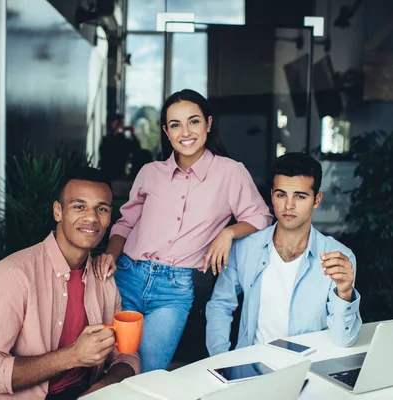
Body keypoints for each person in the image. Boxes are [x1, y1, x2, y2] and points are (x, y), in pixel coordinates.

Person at [93, 89, 273, 372]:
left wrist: (228, 233)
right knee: (107, 368)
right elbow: (125, 223)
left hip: (173, 291)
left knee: (148, 373)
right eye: (175, 125)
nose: (185, 132)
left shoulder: (231, 172)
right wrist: (110, 255)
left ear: (208, 124)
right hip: (126, 277)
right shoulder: (150, 172)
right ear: (166, 131)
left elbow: (261, 216)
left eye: (194, 121)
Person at [0, 168, 140, 399]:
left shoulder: (103, 279)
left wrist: (103, 387)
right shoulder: (11, 276)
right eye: (79, 206)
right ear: (58, 211)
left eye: (102, 209)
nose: (91, 217)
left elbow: (126, 356)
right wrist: (73, 356)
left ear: (110, 217)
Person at [206, 153, 362, 357]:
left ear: (317, 199)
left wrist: (345, 293)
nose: (289, 205)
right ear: (272, 196)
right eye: (281, 195)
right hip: (252, 370)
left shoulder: (340, 258)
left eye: (300, 196)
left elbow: (345, 340)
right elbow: (220, 305)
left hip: (311, 371)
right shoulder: (245, 249)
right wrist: (220, 359)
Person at [99, 114, 141, 181]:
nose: (119, 126)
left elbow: (137, 150)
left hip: (119, 173)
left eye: (121, 123)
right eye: (117, 123)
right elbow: (104, 153)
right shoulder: (107, 140)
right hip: (107, 173)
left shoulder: (124, 141)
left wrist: (133, 134)